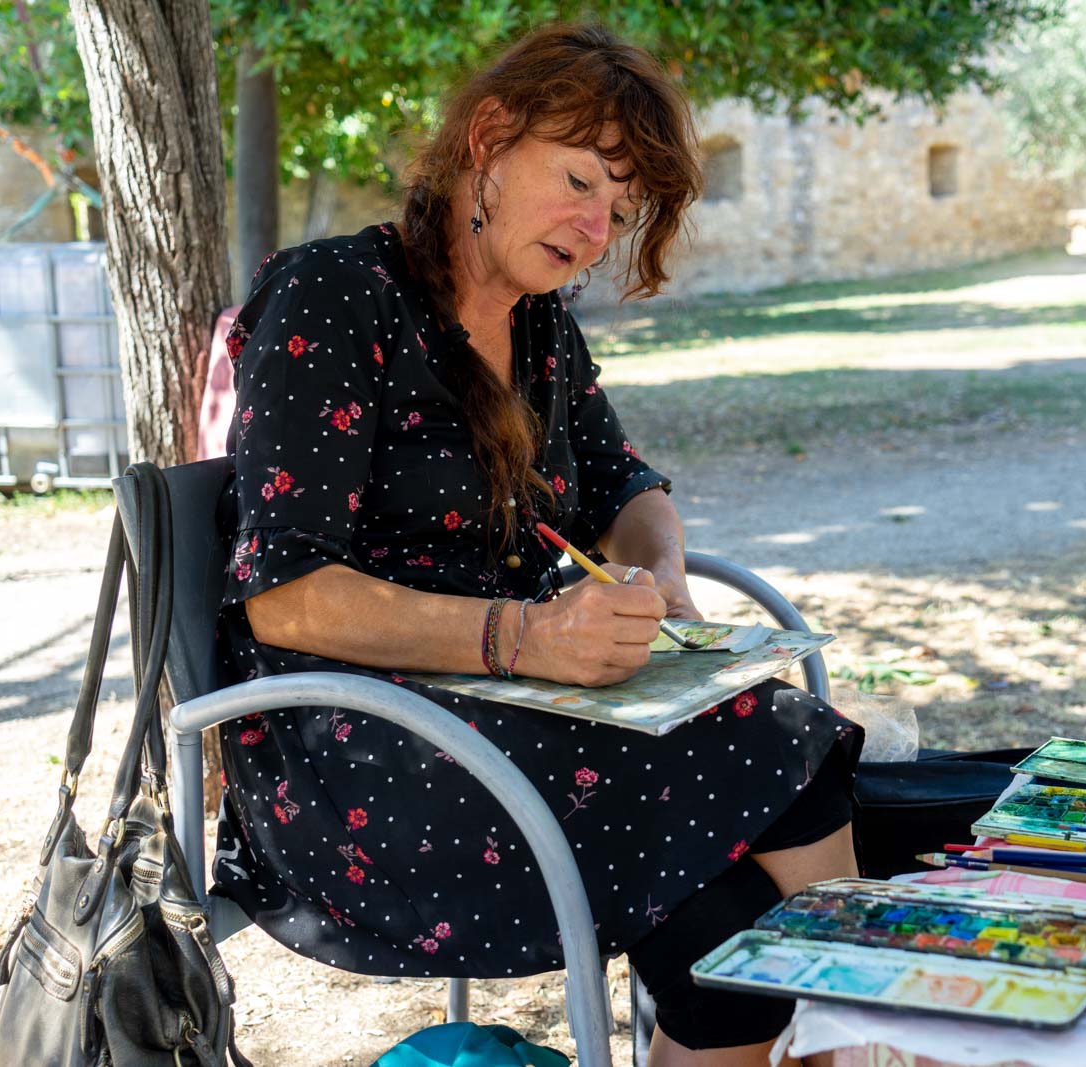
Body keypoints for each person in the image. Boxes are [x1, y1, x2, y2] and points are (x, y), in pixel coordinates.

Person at [215, 23, 862, 1066]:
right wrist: (528, 636)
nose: (595, 224)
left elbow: (626, 487)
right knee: (774, 735)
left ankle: (834, 1028)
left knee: (730, 928)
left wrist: (656, 575)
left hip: (512, 717)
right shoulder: (335, 295)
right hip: (357, 745)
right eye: (577, 178)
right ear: (488, 137)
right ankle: (858, 1024)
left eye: (618, 205)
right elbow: (285, 596)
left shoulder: (540, 326)